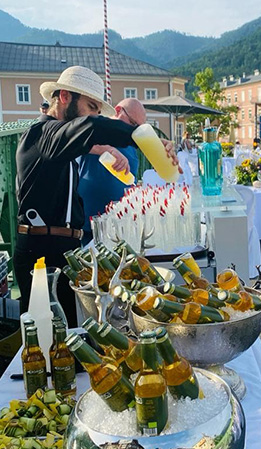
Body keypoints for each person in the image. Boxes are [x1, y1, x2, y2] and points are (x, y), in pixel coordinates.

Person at [14, 66, 179, 327]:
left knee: (74, 338)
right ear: (65, 97)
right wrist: (143, 139)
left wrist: (114, 147)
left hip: (63, 248)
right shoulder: (41, 133)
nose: (93, 114)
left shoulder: (58, 141)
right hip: (41, 253)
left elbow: (86, 137)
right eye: (91, 105)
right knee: (50, 345)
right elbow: (89, 127)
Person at [78, 98, 147, 245]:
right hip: (89, 227)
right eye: (133, 124)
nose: (132, 131)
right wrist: (107, 149)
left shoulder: (131, 143)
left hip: (122, 226)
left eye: (138, 128)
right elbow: (80, 141)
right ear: (117, 111)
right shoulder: (97, 128)